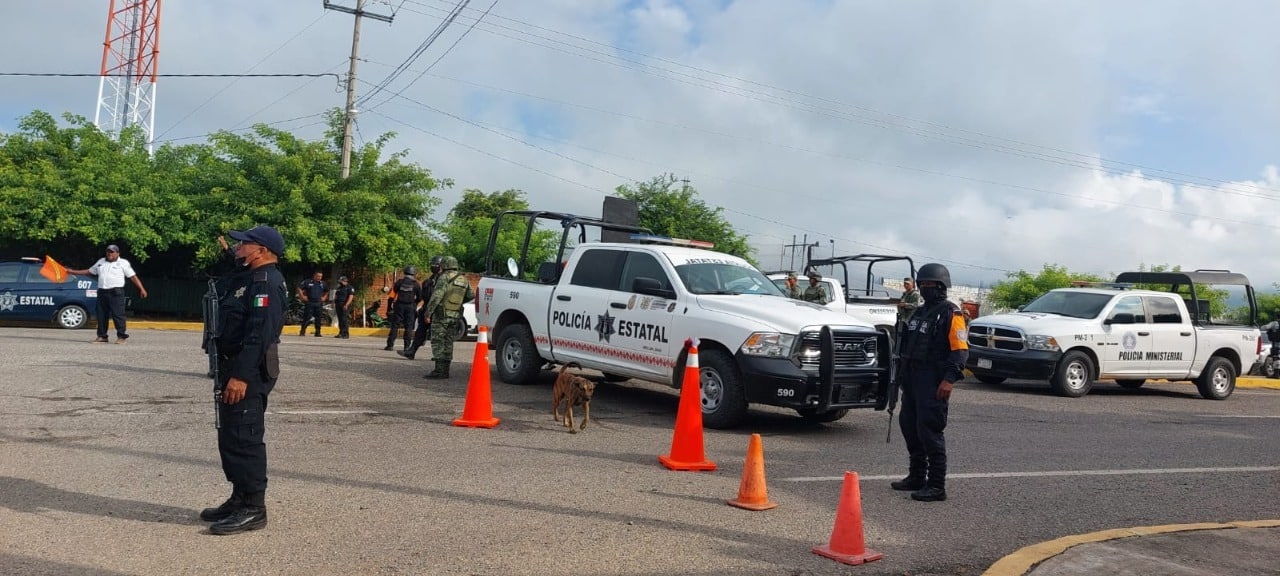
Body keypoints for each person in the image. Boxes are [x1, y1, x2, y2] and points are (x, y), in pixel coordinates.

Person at [200, 224, 287, 535]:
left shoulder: (266, 284)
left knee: (245, 437)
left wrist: (241, 376)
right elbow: (219, 280)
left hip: (247, 372)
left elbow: (258, 337)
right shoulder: (247, 276)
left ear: (261, 250)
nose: (238, 247)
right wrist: (228, 256)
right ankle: (239, 497)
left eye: (244, 244)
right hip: (232, 367)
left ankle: (254, 508)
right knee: (231, 436)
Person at [891, 263, 967, 502]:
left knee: (930, 431)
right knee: (909, 427)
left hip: (934, 381)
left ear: (941, 286)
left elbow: (960, 350)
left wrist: (949, 380)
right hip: (912, 379)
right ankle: (916, 476)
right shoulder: (920, 311)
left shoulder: (951, 313)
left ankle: (936, 485)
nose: (924, 288)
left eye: (929, 285)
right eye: (922, 284)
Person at [67, 244, 148, 344]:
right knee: (101, 315)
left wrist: (142, 289)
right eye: (108, 251)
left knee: (118, 315)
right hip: (102, 292)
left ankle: (121, 337)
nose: (109, 253)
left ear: (118, 253)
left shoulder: (123, 263)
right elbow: (89, 271)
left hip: (116, 292)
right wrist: (73, 272)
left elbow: (132, 277)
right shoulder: (101, 262)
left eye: (112, 252)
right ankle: (102, 336)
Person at [423, 256, 473, 379]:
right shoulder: (463, 279)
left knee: (438, 341)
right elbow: (471, 295)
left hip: (441, 315)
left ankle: (439, 371)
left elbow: (437, 296)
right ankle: (446, 370)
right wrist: (458, 302)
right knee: (448, 342)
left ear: (444, 265)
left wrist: (428, 312)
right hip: (455, 316)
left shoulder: (444, 277)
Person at [399, 256, 442, 360]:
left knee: (437, 334)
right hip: (427, 309)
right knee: (420, 331)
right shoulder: (430, 280)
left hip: (438, 310)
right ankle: (411, 351)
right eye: (432, 264)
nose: (433, 266)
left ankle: (439, 356)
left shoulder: (444, 280)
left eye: (435, 265)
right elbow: (424, 295)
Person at [385, 266, 422, 351]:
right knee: (408, 327)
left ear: (405, 273)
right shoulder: (416, 284)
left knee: (395, 326)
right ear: (414, 274)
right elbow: (420, 297)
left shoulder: (399, 283)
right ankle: (406, 347)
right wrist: (414, 303)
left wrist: (389, 308)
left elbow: (391, 296)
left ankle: (390, 345)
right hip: (410, 307)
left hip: (399, 306)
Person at [296, 271, 327, 337]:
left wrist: (324, 297)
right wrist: (302, 296)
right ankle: (302, 331)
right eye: (318, 276)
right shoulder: (308, 282)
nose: (319, 278)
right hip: (310, 302)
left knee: (318, 318)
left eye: (321, 276)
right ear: (314, 276)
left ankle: (318, 332)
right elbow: (299, 288)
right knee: (307, 317)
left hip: (318, 303)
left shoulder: (322, 283)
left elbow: (327, 291)